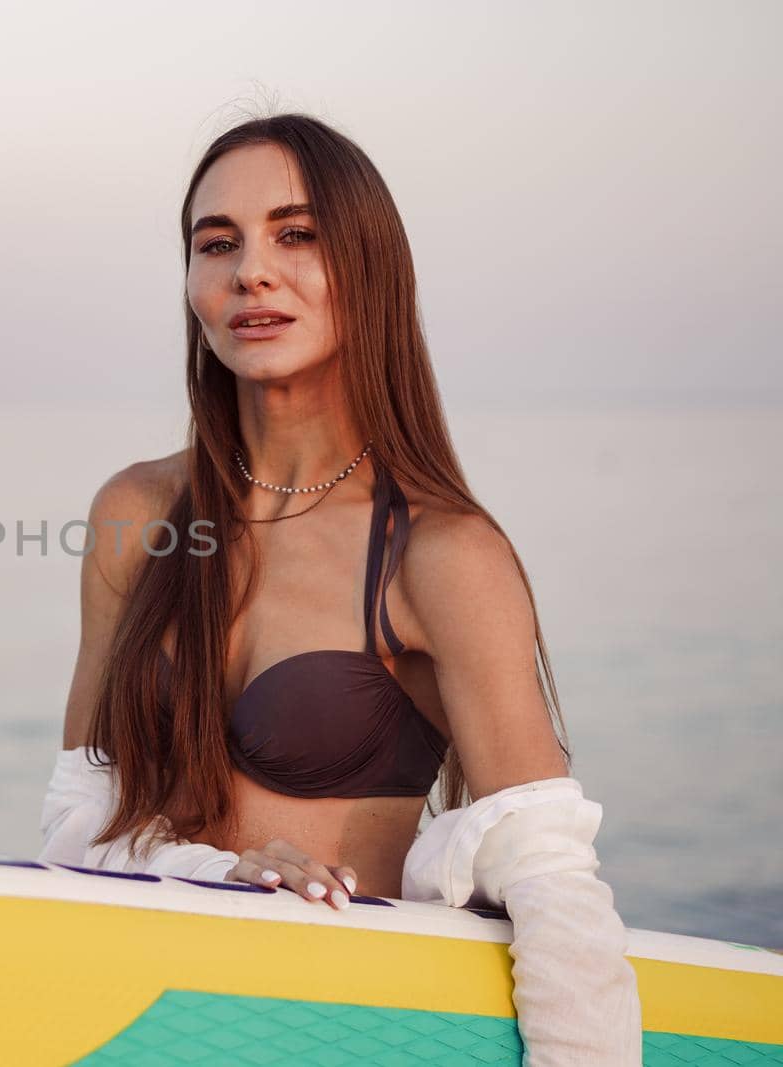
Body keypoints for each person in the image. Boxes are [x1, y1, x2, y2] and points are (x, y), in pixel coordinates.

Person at [39, 113, 641, 1064]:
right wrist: (220, 872)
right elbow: (74, 822)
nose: (251, 273)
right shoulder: (138, 511)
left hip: (329, 1030)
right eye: (217, 244)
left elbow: (553, 887)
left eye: (298, 234)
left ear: (369, 268)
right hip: (139, 1021)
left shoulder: (439, 553)